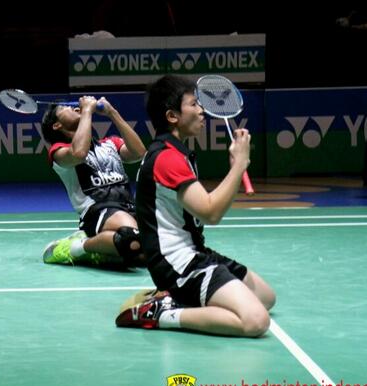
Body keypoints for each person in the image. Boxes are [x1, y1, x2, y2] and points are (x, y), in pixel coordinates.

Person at [116, 75, 275, 336]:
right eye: (194, 104)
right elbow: (211, 212)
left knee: (266, 298)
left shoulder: (175, 152)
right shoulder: (167, 158)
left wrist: (237, 165)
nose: (202, 111)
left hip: (194, 252)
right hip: (177, 263)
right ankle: (162, 314)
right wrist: (238, 166)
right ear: (172, 116)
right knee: (256, 321)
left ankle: (175, 298)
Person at [41, 96, 146, 267]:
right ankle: (74, 247)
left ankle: (104, 249)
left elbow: (139, 153)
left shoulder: (110, 144)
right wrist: (87, 111)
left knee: (145, 255)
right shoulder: (59, 151)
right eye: (65, 107)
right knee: (131, 238)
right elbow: (79, 154)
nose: (74, 106)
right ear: (56, 125)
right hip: (98, 211)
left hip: (130, 207)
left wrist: (112, 113)